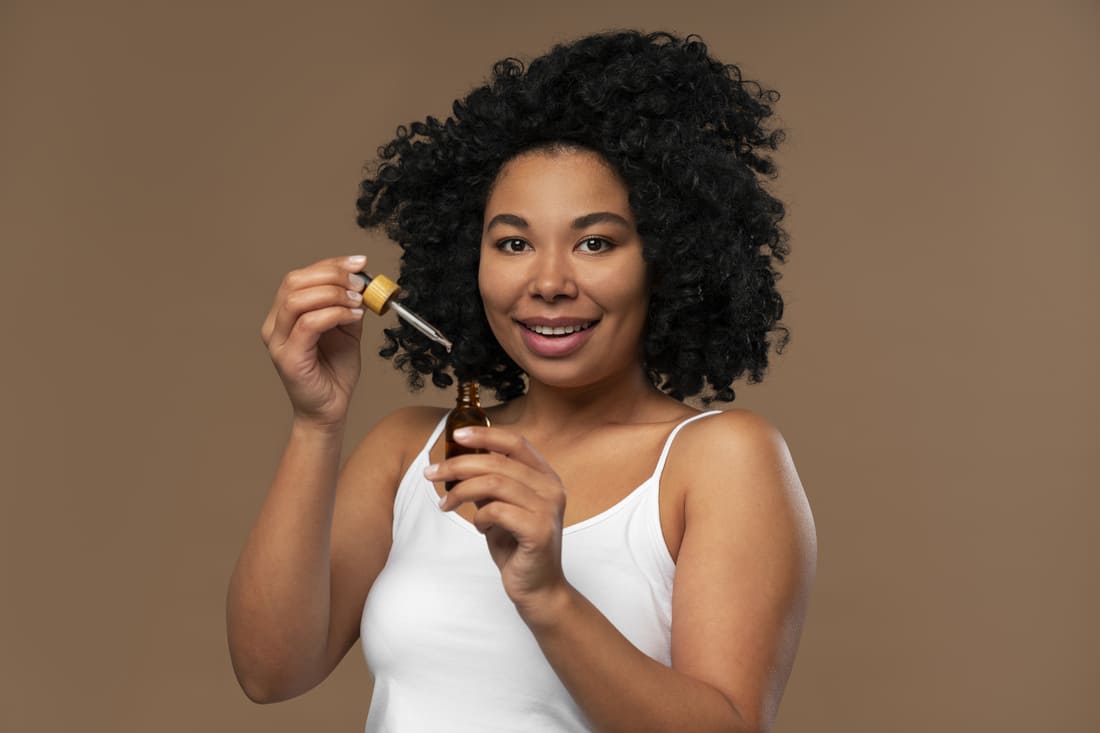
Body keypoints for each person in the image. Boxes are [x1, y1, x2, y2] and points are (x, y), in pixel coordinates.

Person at [227, 30, 816, 733]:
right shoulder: (408, 450)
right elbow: (270, 671)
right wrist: (315, 422)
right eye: (513, 242)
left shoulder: (720, 458)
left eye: (595, 242)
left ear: (666, 256)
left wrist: (548, 596)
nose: (548, 282)